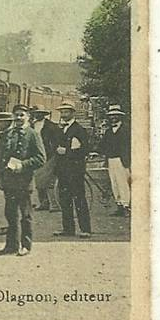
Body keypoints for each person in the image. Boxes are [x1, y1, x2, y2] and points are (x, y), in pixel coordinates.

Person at [0, 105, 45, 256]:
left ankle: (26, 245)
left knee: (25, 215)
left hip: (24, 181)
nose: (19, 118)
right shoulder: (8, 134)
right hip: (9, 181)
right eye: (17, 115)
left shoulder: (33, 135)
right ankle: (11, 245)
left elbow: (41, 158)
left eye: (22, 115)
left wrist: (23, 165)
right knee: (10, 214)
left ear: (28, 117)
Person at [54, 101, 92, 238]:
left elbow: (85, 149)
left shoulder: (79, 130)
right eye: (62, 112)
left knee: (79, 199)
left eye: (66, 112)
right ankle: (68, 229)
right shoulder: (61, 129)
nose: (63, 114)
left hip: (75, 171)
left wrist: (67, 151)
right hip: (63, 171)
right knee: (65, 200)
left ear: (72, 113)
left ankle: (85, 229)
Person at [98, 104, 131, 217]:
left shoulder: (126, 130)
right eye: (111, 116)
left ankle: (126, 206)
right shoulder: (108, 132)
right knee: (114, 183)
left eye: (116, 116)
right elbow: (102, 146)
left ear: (120, 117)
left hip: (122, 160)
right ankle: (119, 206)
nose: (113, 118)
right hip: (111, 160)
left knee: (123, 183)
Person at [30, 106, 62, 212]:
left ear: (44, 114)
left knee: (47, 180)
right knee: (38, 180)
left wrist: (53, 151)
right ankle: (44, 203)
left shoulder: (51, 126)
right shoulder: (32, 125)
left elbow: (58, 140)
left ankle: (54, 204)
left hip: (49, 155)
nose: (37, 115)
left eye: (39, 113)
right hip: (36, 156)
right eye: (35, 113)